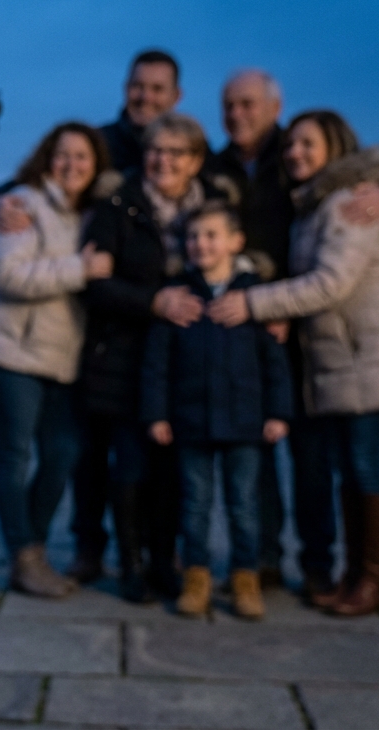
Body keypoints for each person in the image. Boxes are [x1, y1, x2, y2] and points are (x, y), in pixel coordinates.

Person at [208, 110, 379, 617]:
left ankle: (372, 581)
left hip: (372, 356)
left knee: (368, 465)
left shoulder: (344, 205)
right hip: (348, 360)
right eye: (290, 146)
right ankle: (362, 579)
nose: (295, 154)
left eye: (308, 144)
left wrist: (253, 303)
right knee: (355, 469)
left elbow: (330, 284)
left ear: (335, 146)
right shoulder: (316, 205)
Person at [0, 49, 184, 584]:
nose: (146, 96)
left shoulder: (180, 148)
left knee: (92, 454)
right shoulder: (85, 154)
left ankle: (144, 552)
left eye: (158, 89)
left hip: (97, 343)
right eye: (138, 86)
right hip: (45, 344)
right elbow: (10, 205)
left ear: (175, 97)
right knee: (52, 453)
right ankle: (48, 552)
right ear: (126, 87)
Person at [0, 122, 116, 597]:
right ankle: (26, 558)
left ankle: (32, 547)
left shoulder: (86, 213)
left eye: (82, 157)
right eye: (63, 155)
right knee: (15, 454)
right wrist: (80, 269)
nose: (72, 165)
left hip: (58, 358)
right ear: (48, 158)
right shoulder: (22, 203)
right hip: (7, 351)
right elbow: (9, 276)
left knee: (64, 451)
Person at [80, 112, 232, 603]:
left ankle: (167, 559)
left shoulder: (213, 209)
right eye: (154, 150)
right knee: (131, 467)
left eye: (175, 152)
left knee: (173, 469)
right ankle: (131, 564)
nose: (162, 160)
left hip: (187, 361)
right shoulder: (117, 204)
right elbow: (95, 285)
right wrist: (153, 301)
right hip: (125, 357)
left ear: (195, 160)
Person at [141, 203, 293, 619]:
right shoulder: (179, 297)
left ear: (235, 242)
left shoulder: (253, 297)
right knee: (195, 504)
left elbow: (274, 365)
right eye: (193, 236)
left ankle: (245, 577)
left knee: (244, 504)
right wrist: (156, 415)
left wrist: (279, 413)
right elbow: (157, 365)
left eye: (211, 235)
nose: (200, 244)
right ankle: (197, 577)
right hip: (191, 424)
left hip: (246, 425)